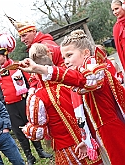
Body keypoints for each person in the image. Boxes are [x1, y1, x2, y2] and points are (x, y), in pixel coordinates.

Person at [18, 29, 125, 165]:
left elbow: (84, 80)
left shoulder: (95, 71)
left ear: (86, 53)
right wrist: (86, 140)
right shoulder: (78, 80)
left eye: (69, 55)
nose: (66, 61)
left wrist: (41, 69)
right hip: (101, 137)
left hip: (113, 134)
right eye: (63, 58)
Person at [21, 43, 102, 165]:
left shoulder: (38, 97)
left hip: (67, 150)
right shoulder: (71, 81)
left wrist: (27, 129)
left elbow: (38, 133)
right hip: (91, 140)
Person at [0, 33, 52, 165]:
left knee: (31, 125)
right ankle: (29, 156)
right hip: (9, 106)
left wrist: (32, 95)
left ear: (5, 55)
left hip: (23, 102)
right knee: (19, 132)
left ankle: (40, 151)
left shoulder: (17, 66)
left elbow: (29, 81)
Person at [111, 0, 125, 70]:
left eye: (116, 8)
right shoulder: (116, 28)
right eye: (113, 10)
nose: (115, 12)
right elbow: (120, 51)